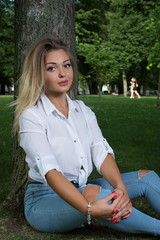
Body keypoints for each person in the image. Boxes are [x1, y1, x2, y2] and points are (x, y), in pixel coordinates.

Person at [12, 35, 160, 236]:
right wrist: (88, 208)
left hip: (83, 187)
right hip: (44, 200)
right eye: (52, 68)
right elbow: (50, 171)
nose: (63, 73)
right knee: (98, 195)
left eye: (66, 65)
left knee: (146, 177)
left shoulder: (82, 110)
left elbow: (101, 153)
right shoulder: (31, 116)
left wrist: (121, 188)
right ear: (38, 74)